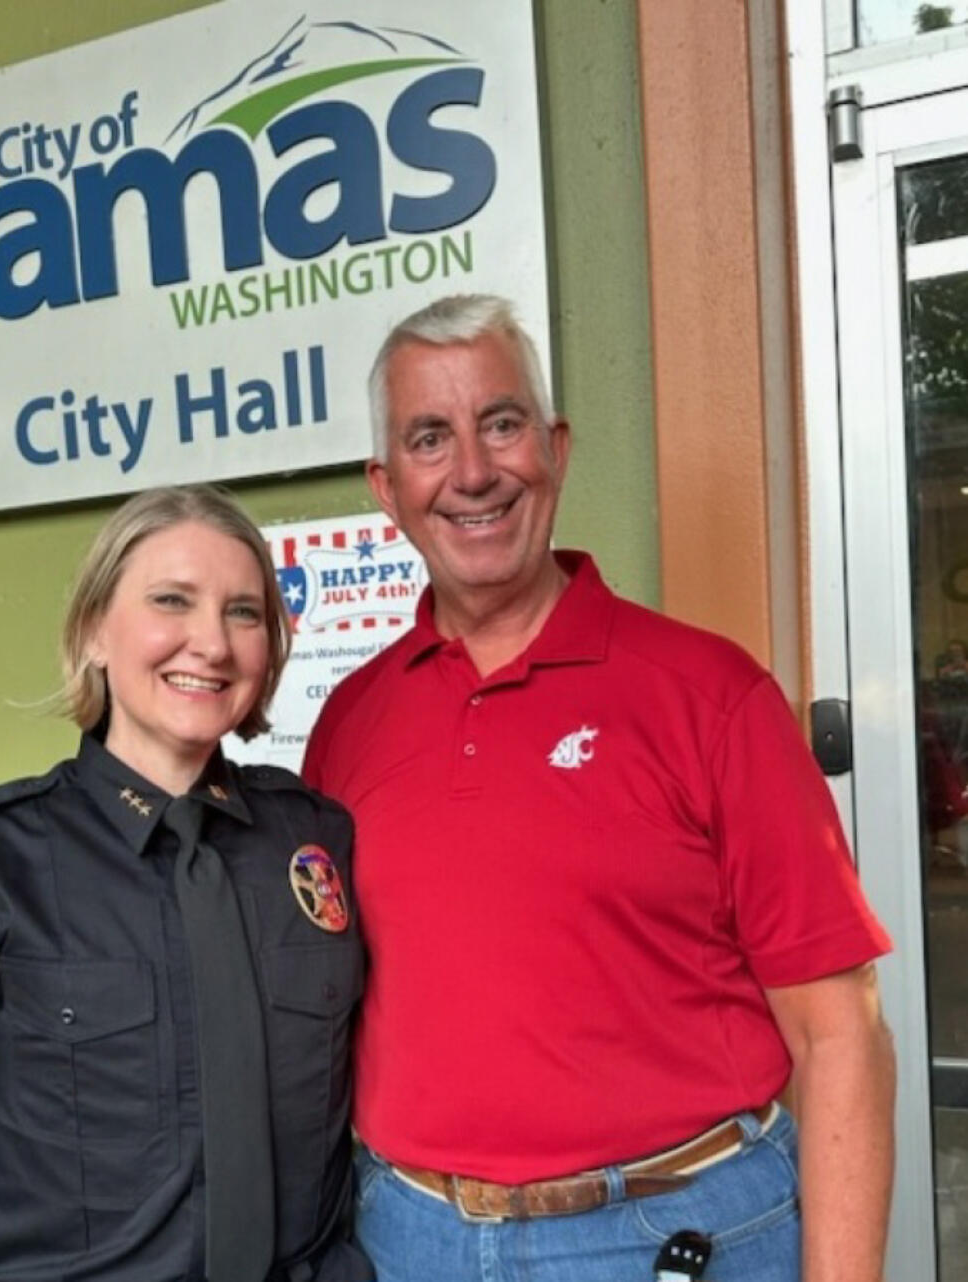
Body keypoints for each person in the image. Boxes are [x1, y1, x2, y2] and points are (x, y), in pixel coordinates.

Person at [302, 295, 895, 1282]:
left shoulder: (708, 696)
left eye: (501, 422)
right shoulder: (348, 726)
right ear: (386, 485)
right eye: (428, 438)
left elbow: (838, 1032)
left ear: (555, 447)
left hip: (672, 1236)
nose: (474, 471)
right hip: (409, 1240)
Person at [0, 485, 370, 1282]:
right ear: (95, 629)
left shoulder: (314, 841)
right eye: (173, 600)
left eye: (244, 612)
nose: (211, 642)